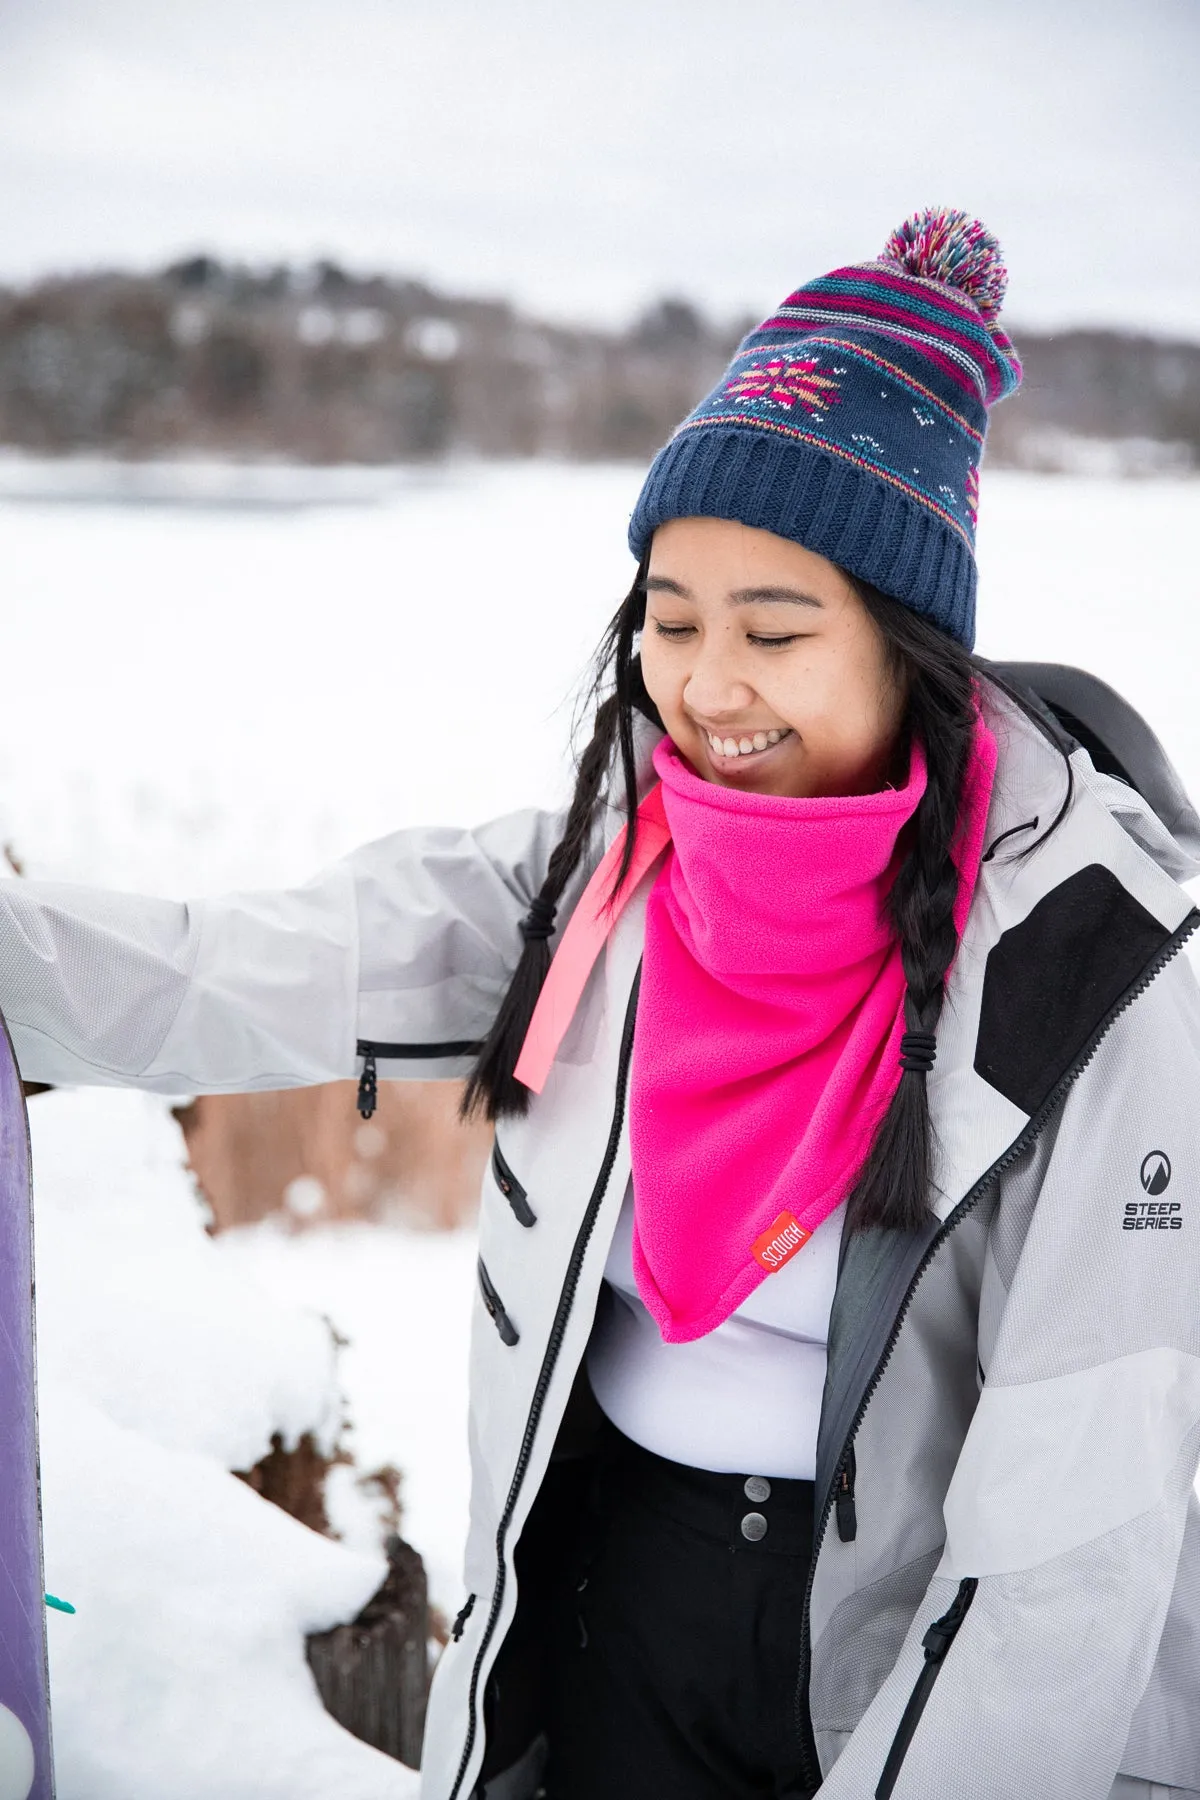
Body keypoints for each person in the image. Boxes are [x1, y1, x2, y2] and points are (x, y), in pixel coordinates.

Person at [3, 209, 1200, 1800]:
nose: (705, 686)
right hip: (603, 1611)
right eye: (672, 618)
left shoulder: (1096, 973)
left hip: (890, 1674)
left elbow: (1059, 1566)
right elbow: (228, 964)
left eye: (775, 631)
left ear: (910, 650)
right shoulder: (601, 881)